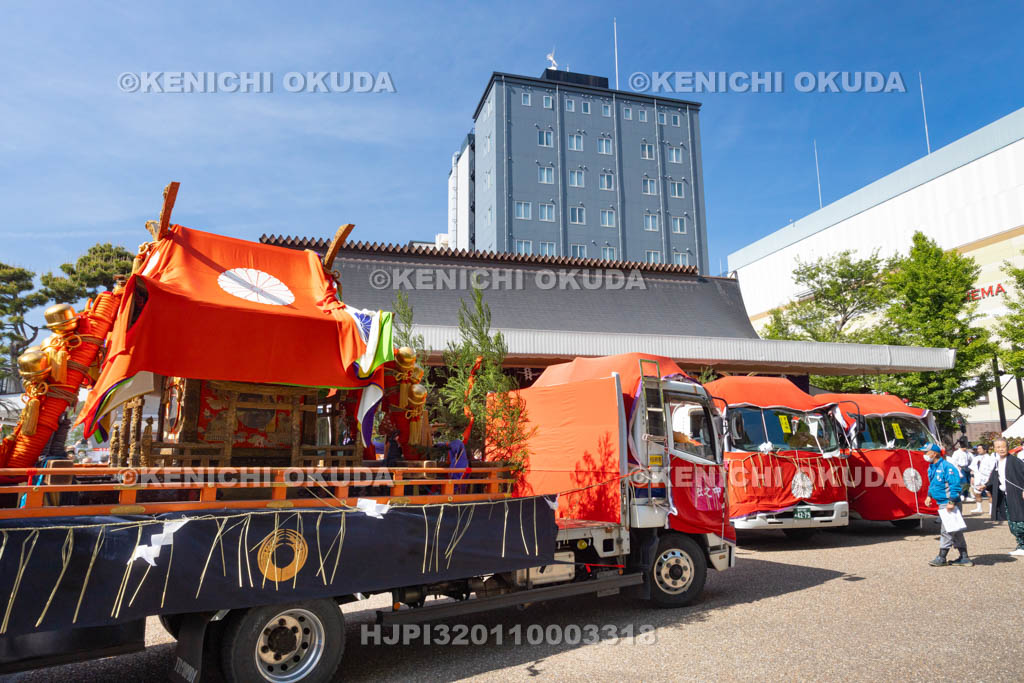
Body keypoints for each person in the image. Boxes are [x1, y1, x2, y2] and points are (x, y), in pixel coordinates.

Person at [923, 443, 972, 566]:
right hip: (942, 503)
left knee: (947, 531)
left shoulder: (947, 467)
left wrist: (951, 502)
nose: (924, 455)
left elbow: (955, 486)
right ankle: (964, 557)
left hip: (949, 503)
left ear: (934, 453)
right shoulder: (931, 467)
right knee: (956, 530)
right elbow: (933, 483)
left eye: (926, 452)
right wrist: (929, 495)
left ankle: (942, 557)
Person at [986, 438, 1024, 556]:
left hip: (1017, 494)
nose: (1001, 449)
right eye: (998, 447)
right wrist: (985, 486)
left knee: (1020, 520)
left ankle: (1023, 545)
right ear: (994, 449)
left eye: (1003, 446)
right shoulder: (997, 462)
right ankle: (1020, 544)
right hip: (1006, 495)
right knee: (1012, 520)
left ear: (1007, 447)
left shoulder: (1015, 461)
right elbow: (994, 479)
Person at [970, 445, 998, 514]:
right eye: (978, 449)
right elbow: (972, 469)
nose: (978, 450)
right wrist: (972, 477)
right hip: (977, 477)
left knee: (989, 494)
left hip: (986, 478)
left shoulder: (990, 458)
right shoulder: (976, 458)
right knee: (977, 493)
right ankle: (979, 508)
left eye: (980, 449)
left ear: (985, 450)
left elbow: (992, 470)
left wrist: (990, 479)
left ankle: (991, 510)